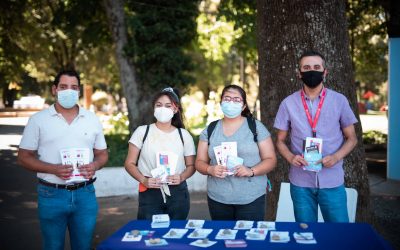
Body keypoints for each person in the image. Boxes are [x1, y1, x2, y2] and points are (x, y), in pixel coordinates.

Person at [17, 69, 109, 250]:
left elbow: (102, 154)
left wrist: (95, 165)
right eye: (63, 87)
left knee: (83, 246)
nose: (69, 91)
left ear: (79, 91)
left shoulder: (92, 119)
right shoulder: (38, 120)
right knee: (52, 246)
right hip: (51, 194)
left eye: (74, 87)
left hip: (85, 194)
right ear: (54, 89)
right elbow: (23, 157)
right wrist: (53, 169)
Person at [274, 50, 358, 223]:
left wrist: (335, 157)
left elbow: (352, 138)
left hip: (332, 180)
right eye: (306, 67)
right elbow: (280, 141)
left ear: (324, 72)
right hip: (300, 182)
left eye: (316, 67)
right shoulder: (288, 103)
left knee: (339, 234)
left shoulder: (339, 100)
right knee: (306, 234)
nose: (311, 71)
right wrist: (290, 157)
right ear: (299, 73)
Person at [195, 85, 276, 221]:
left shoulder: (256, 127)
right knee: (223, 237)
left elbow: (271, 159)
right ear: (221, 103)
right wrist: (210, 169)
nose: (231, 102)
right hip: (218, 198)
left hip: (252, 198)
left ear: (243, 106)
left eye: (236, 100)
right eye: (227, 98)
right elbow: (199, 162)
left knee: (249, 239)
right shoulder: (210, 129)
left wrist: (251, 170)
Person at [125, 87, 196, 220]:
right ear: (154, 108)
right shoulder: (142, 132)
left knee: (176, 234)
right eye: (159, 105)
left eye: (168, 106)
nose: (163, 108)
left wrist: (181, 177)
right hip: (150, 191)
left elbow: (191, 166)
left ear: (175, 109)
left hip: (178, 193)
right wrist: (144, 180)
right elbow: (129, 163)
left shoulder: (184, 135)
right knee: (150, 235)